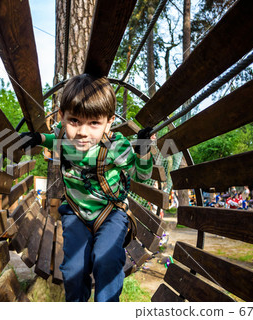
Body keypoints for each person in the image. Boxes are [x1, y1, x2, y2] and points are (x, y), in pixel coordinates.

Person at [18, 74, 154, 302]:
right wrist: (39, 138)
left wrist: (143, 152)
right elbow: (55, 139)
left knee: (106, 259)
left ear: (109, 122)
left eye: (94, 123)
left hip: (110, 212)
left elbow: (142, 174)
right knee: (73, 269)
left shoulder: (115, 146)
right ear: (62, 117)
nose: (82, 132)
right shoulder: (64, 134)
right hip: (75, 212)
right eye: (75, 121)